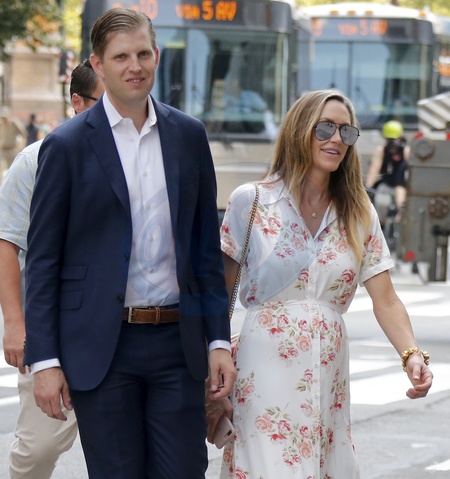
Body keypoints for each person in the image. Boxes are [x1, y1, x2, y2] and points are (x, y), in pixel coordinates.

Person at [24, 8, 235, 479]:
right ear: (98, 65)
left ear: (156, 55)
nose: (134, 66)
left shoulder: (188, 136)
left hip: (177, 344)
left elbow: (205, 249)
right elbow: (42, 262)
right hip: (101, 347)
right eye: (121, 57)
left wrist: (219, 341)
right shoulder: (66, 146)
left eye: (142, 54)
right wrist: (46, 361)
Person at [216, 90, 432, 478]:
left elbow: (385, 299)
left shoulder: (358, 212)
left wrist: (411, 354)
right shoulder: (252, 202)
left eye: (346, 132)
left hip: (329, 373)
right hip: (262, 370)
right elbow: (219, 291)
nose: (336, 139)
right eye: (325, 128)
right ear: (299, 130)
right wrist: (213, 354)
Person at [0, 59, 104, 479]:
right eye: (104, 100)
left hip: (119, 329)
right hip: (54, 328)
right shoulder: (34, 160)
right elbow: (7, 242)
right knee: (37, 450)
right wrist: (15, 325)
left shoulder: (141, 156)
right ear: (77, 102)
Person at [365, 120, 410, 225]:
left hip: (401, 185)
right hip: (386, 184)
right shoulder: (381, 151)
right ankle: (381, 225)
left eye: (394, 140)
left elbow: (411, 171)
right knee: (380, 202)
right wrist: (368, 187)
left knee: (401, 202)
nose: (392, 143)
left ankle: (400, 221)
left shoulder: (406, 151)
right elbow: (374, 169)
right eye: (389, 140)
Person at [0, 108, 27, 174]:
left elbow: (24, 134)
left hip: (12, 149)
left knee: (12, 169)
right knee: (2, 169)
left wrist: (21, 145)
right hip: (3, 149)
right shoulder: (1, 124)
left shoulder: (14, 123)